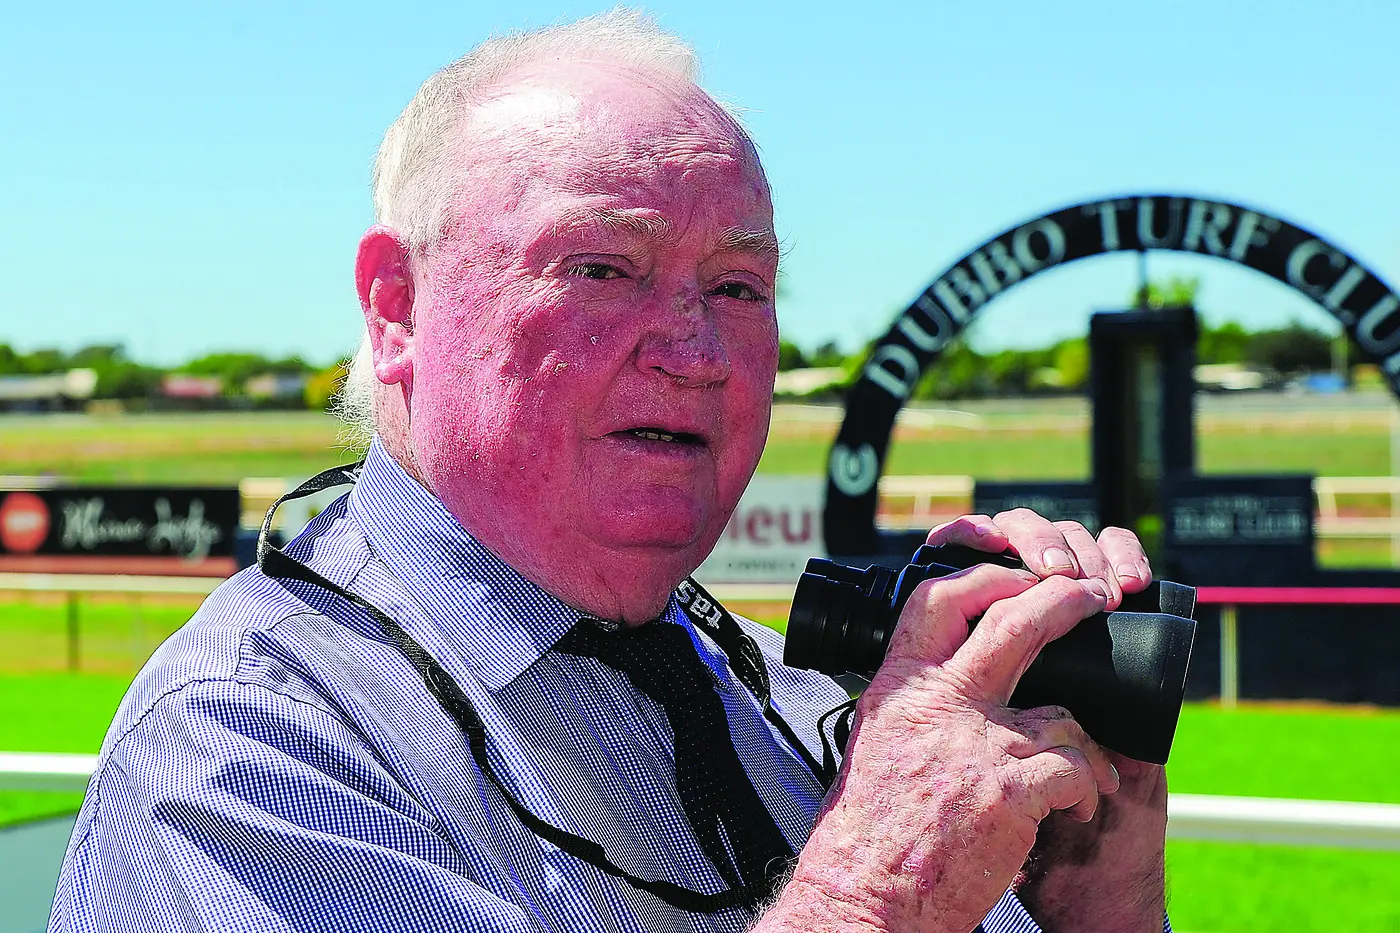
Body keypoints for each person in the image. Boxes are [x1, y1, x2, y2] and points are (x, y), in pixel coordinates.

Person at [49, 11, 1169, 933]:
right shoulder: (250, 741)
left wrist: (1086, 889)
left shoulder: (793, 699)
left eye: (736, 288)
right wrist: (871, 894)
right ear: (398, 308)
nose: (691, 350)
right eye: (601, 267)